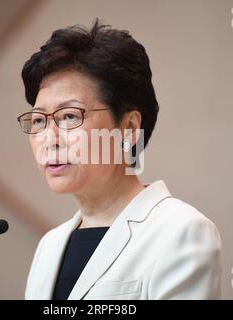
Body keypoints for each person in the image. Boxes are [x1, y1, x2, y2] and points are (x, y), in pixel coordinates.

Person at [18, 19, 221, 300]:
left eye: (69, 117)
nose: (49, 139)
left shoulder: (181, 231)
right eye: (39, 120)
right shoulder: (49, 245)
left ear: (128, 128)